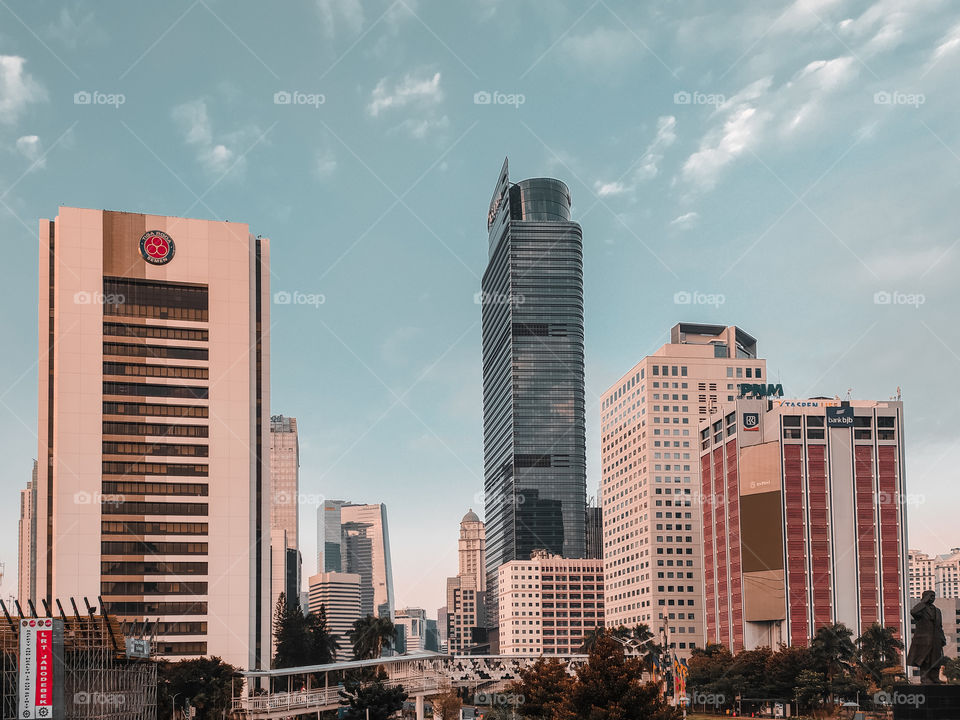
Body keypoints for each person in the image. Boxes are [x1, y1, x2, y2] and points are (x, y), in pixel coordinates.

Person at [906, 590, 946, 684]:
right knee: (925, 659)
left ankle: (934, 677)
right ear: (925, 597)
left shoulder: (937, 611)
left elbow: (939, 626)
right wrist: (923, 602)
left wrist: (942, 638)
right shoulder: (921, 608)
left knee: (935, 659)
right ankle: (925, 678)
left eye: (933, 596)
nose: (932, 598)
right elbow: (913, 612)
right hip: (924, 639)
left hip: (936, 638)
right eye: (930, 596)